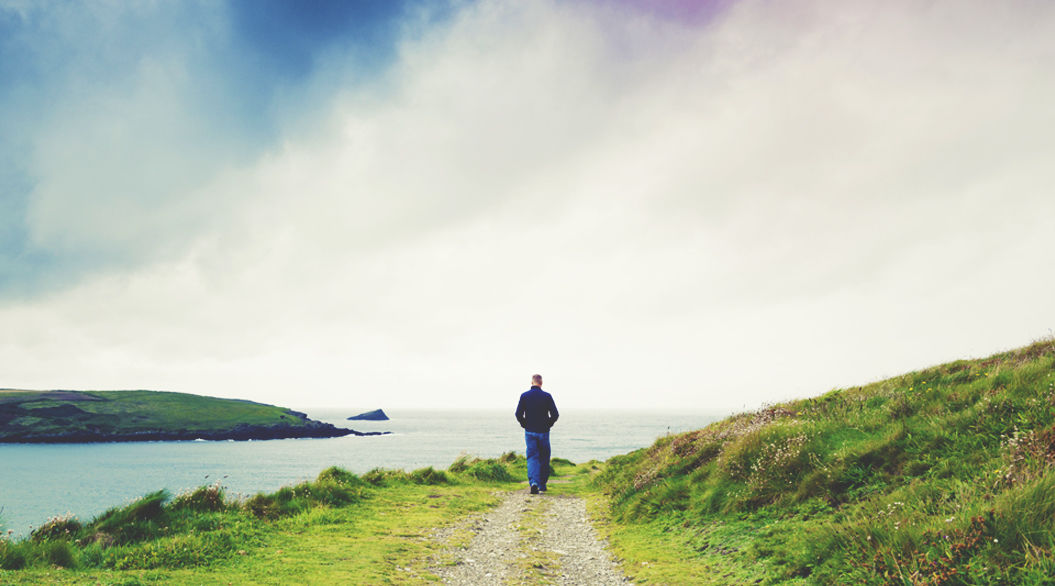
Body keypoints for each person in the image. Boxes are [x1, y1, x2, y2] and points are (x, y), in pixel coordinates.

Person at [514, 374, 559, 494]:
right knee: (544, 457)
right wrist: (548, 424)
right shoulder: (547, 396)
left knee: (532, 457)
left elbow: (518, 414)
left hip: (530, 431)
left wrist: (525, 424)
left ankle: (534, 482)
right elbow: (555, 415)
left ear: (531, 382)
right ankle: (542, 484)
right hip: (543, 432)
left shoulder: (524, 396)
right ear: (541, 383)